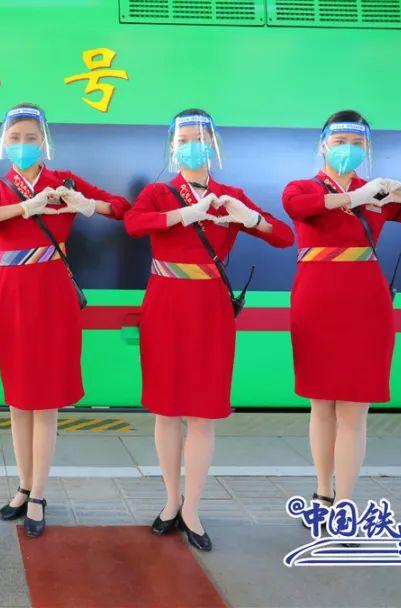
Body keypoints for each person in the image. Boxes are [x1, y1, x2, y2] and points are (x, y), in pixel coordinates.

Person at [123, 108, 294, 551]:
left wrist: (248, 217)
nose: (192, 146)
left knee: (202, 411)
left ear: (213, 146)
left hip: (210, 307)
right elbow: (133, 224)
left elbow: (283, 237)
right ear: (172, 146)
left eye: (200, 139)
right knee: (166, 409)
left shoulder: (230, 196)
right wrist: (185, 214)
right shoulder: (158, 193)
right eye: (184, 139)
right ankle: (170, 501)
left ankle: (193, 509)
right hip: (164, 302)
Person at [0, 103, 130, 538]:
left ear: (44, 142)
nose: (23, 145)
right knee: (19, 398)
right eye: (15, 138)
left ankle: (39, 494)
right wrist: (24, 207)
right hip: (12, 293)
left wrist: (86, 203)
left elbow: (122, 208)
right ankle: (23, 486)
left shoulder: (64, 181)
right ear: (4, 142)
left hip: (53, 292)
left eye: (31, 138)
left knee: (47, 397)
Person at [282, 110, 401, 516]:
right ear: (324, 145)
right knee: (321, 403)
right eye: (340, 142)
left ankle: (344, 503)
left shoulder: (379, 195)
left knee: (354, 407)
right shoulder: (303, 187)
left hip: (366, 302)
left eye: (357, 144)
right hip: (315, 300)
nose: (348, 150)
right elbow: (298, 208)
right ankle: (322, 492)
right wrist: (355, 198)